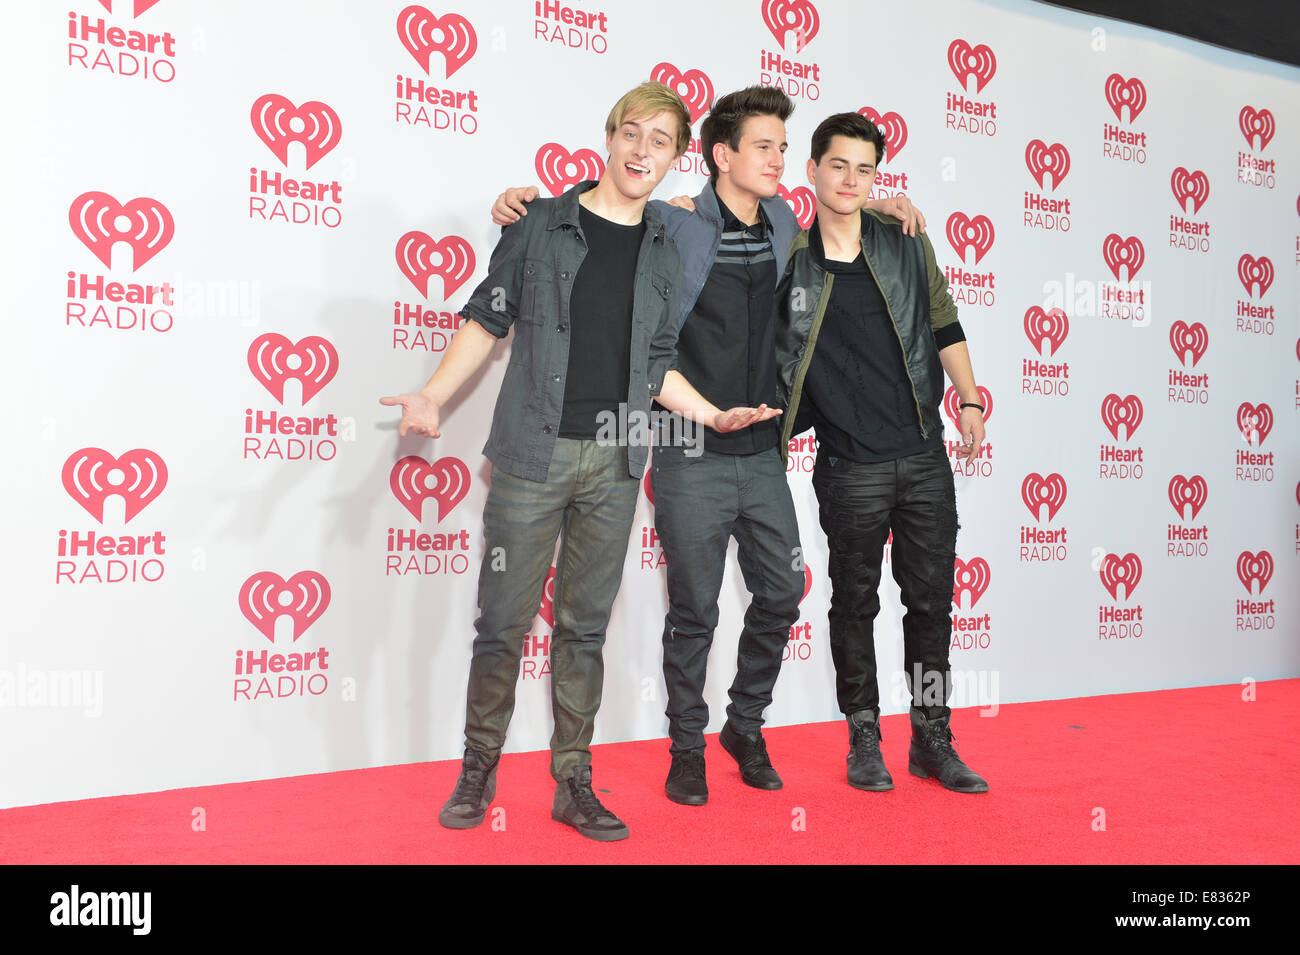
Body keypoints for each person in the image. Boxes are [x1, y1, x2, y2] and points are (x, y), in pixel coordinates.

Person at [492, 88, 926, 805]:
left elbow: (836, 218)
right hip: (686, 447)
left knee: (783, 588)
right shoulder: (675, 221)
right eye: (765, 146)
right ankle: (686, 745)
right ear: (722, 155)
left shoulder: (787, 218)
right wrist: (527, 205)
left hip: (761, 449)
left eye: (785, 149)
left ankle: (744, 723)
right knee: (694, 609)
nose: (779, 160)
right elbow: (609, 209)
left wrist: (887, 205)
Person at [381, 82, 780, 842]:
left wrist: (709, 414)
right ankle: (477, 767)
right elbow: (485, 315)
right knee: (501, 624)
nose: (641, 151)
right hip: (532, 455)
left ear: (673, 158)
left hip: (618, 462)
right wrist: (433, 395)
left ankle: (573, 780)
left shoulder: (669, 240)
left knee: (583, 630)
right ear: (608, 136)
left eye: (660, 141)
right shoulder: (539, 222)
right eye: (632, 133)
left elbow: (657, 361)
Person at [775, 112, 989, 794]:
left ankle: (932, 736)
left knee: (931, 606)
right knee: (855, 604)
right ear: (812, 170)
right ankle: (863, 736)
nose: (850, 180)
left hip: (924, 455)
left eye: (864, 169)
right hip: (849, 466)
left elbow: (943, 319)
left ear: (876, 177)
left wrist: (971, 400)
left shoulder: (904, 241)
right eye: (838, 165)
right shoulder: (788, 255)